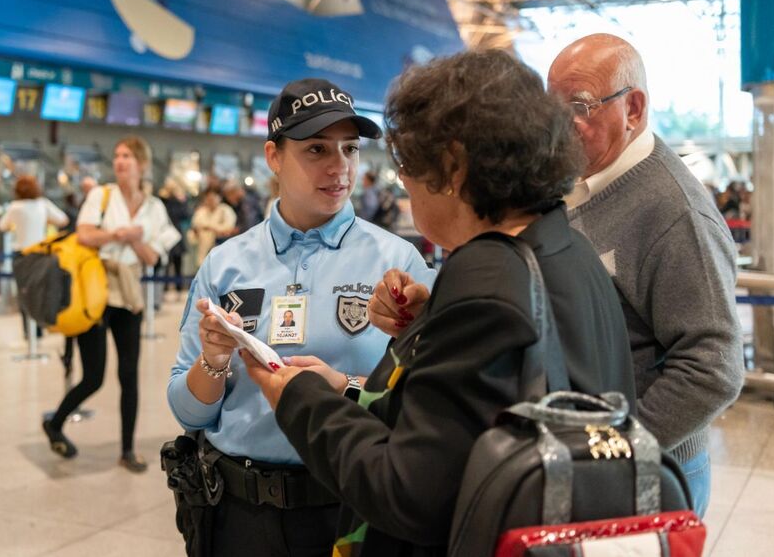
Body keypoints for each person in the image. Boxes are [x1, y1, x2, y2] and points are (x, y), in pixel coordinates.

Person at [241, 51, 637, 556]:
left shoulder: (484, 278)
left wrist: (298, 397)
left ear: (452, 166)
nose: (403, 183)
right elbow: (480, 420)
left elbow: (407, 493)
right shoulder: (565, 247)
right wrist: (403, 346)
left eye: (408, 165)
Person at [167, 77, 436, 557]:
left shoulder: (399, 264)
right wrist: (211, 361)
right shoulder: (226, 263)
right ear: (274, 157)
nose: (340, 168)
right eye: (316, 150)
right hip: (237, 515)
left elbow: (430, 404)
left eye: (350, 149)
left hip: (349, 510)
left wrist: (346, 384)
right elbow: (190, 412)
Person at [547, 33, 743, 517]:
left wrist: (614, 449)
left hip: (647, 473)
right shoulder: (581, 182)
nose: (559, 125)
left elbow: (713, 368)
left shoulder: (675, 212)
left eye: (580, 105)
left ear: (633, 108)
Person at [43, 136, 180, 473]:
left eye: (128, 156)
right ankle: (55, 422)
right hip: (95, 289)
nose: (120, 161)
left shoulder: (155, 209)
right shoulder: (101, 196)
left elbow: (151, 258)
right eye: (117, 155)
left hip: (129, 292)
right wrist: (119, 234)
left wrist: (136, 240)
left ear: (142, 164)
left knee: (129, 374)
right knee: (94, 376)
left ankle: (127, 449)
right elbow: (84, 234)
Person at [0, 176, 68, 339]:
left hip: (22, 255)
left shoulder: (15, 207)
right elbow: (63, 220)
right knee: (41, 291)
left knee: (24, 293)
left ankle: (28, 332)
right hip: (41, 254)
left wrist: (15, 226)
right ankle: (40, 327)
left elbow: (1, 226)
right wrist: (45, 221)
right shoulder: (43, 204)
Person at [159, 178, 192, 293]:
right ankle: (165, 288)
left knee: (178, 263)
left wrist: (182, 201)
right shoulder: (162, 201)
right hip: (165, 234)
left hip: (177, 235)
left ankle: (179, 289)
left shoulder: (179, 201)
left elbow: (185, 215)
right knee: (166, 263)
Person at [189, 189, 236, 268]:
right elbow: (196, 226)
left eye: (213, 198)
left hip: (221, 245)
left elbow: (228, 228)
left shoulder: (225, 210)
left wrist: (209, 227)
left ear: (219, 198)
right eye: (208, 198)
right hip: (202, 248)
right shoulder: (201, 211)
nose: (211, 201)